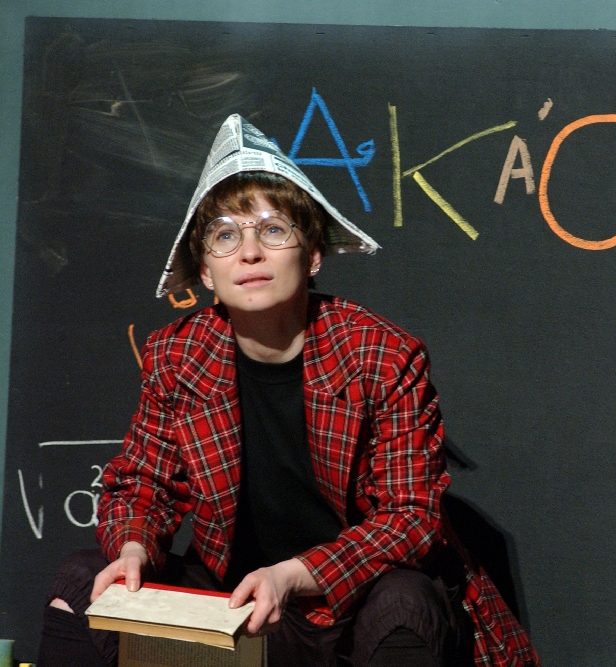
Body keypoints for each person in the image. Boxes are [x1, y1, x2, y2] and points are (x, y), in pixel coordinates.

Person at [37, 115, 539, 667]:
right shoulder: (177, 355)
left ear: (313, 254)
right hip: (232, 601)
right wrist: (134, 548)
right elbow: (142, 485)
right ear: (205, 271)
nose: (249, 253)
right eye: (225, 236)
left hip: (345, 604)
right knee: (84, 580)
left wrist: (292, 575)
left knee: (407, 601)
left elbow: (410, 517)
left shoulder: (381, 355)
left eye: (273, 230)